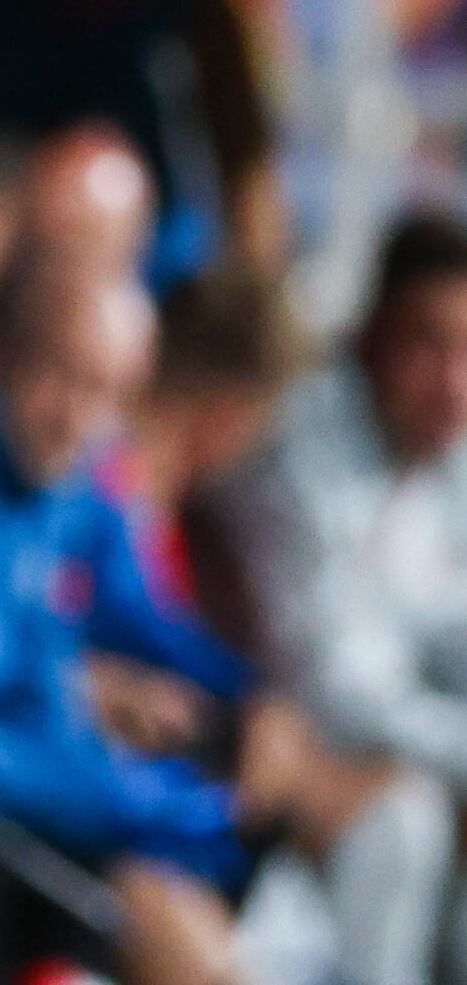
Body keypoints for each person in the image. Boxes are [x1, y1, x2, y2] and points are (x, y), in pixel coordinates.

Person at [0, 268, 453, 985]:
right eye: (60, 375)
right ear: (1, 353)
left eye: (106, 393)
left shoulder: (78, 470)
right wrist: (137, 795)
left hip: (67, 811)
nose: (76, 415)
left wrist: (252, 699)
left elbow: (148, 618)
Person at [225, 214, 467, 970]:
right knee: (408, 826)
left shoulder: (448, 465)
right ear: (372, 334)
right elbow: (339, 686)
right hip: (257, 757)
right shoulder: (304, 449)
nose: (453, 379)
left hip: (390, 758)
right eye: (428, 342)